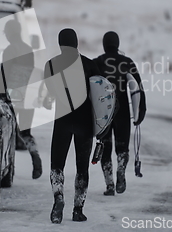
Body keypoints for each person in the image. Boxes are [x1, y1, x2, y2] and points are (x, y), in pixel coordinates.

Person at [44, 28, 100, 223]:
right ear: (76, 42)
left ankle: (58, 199)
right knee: (82, 168)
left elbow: (48, 95)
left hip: (62, 121)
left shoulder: (51, 65)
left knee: (56, 165)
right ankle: (78, 210)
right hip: (85, 123)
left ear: (60, 43)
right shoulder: (90, 65)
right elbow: (102, 97)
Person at [93, 31, 146, 195]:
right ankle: (121, 170)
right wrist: (141, 110)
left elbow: (90, 88)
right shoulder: (127, 62)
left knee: (105, 147)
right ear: (117, 44)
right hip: (122, 110)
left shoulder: (98, 62)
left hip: (104, 112)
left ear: (104, 44)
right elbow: (138, 87)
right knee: (122, 147)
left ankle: (109, 185)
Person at [2, 19, 42, 179]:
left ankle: (9, 169)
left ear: (10, 33)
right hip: (28, 95)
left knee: (9, 133)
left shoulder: (10, 49)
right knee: (26, 132)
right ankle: (35, 157)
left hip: (13, 95)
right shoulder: (28, 49)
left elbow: (4, 74)